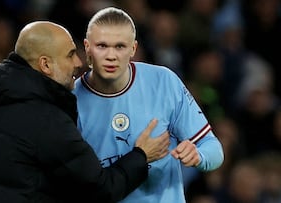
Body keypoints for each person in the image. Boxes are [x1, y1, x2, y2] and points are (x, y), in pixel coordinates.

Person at [0, 21, 171, 203]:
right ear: (45, 65)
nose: (78, 63)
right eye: (70, 54)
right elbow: (100, 190)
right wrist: (141, 156)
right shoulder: (46, 120)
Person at [73, 7, 224, 203]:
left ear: (133, 49)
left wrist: (199, 156)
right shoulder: (71, 99)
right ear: (87, 47)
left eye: (120, 46)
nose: (111, 55)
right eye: (102, 46)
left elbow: (213, 149)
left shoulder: (163, 81)